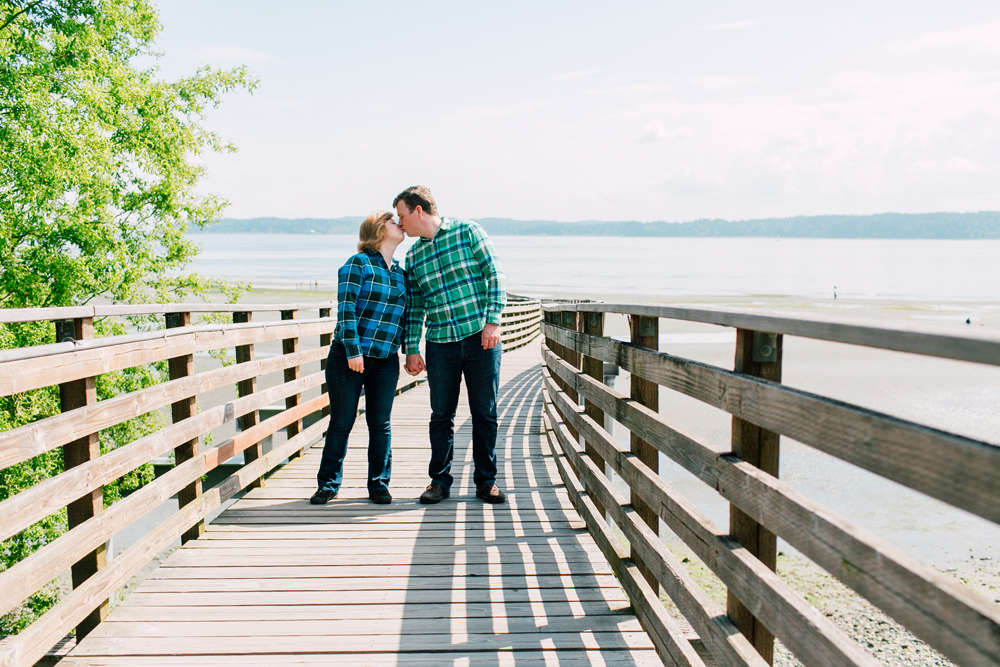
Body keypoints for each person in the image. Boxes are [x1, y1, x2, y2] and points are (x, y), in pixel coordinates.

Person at [395, 185, 508, 504]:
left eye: (402, 216)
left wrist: (492, 322)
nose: (400, 223)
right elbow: (415, 305)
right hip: (440, 343)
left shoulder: (468, 231)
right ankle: (439, 481)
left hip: (480, 338)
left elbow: (495, 276)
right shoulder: (414, 255)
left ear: (419, 210)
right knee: (441, 415)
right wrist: (412, 348)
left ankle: (486, 481)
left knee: (484, 412)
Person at [311, 211, 407, 506]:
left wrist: (409, 349)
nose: (400, 224)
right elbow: (346, 309)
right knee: (342, 421)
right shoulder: (357, 264)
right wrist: (353, 351)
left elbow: (407, 316)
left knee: (380, 424)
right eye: (393, 222)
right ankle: (328, 485)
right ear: (378, 230)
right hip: (347, 357)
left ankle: (379, 485)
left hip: (385, 359)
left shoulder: (402, 274)